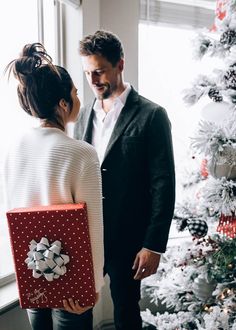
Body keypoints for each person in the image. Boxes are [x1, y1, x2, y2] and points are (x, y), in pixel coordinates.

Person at [74, 30, 176, 330]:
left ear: (120, 64)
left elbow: (163, 184)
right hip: (88, 235)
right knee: (78, 312)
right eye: (87, 73)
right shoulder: (82, 117)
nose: (93, 81)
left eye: (99, 71)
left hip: (129, 239)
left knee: (127, 314)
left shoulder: (152, 115)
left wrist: (153, 245)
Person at [3, 43, 104, 330]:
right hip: (71, 279)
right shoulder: (81, 153)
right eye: (74, 94)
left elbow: (13, 216)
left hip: (32, 273)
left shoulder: (13, 149)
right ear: (63, 104)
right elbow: (92, 226)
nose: (78, 99)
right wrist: (92, 286)